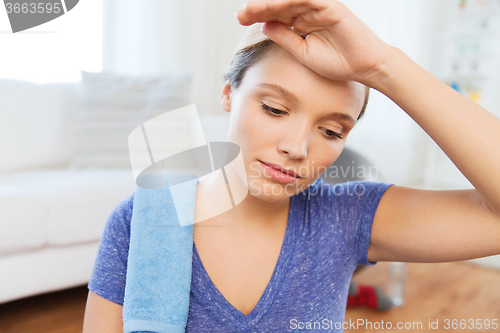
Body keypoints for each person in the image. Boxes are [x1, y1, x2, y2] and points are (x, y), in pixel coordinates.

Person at [83, 1, 500, 332]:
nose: (297, 147)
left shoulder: (348, 217)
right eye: (275, 108)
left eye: (333, 132)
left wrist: (382, 66)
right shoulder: (140, 222)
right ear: (229, 93)